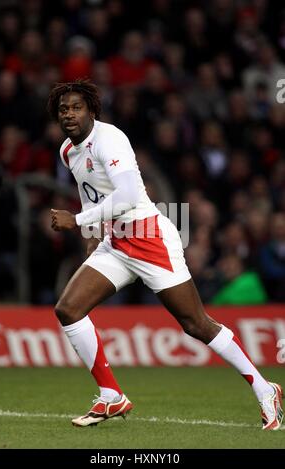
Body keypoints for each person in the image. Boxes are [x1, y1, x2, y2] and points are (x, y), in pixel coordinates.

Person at [47, 79, 283, 430]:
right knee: (68, 309)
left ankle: (266, 389)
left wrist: (78, 221)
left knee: (195, 324)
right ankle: (111, 395)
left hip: (149, 237)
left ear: (92, 110)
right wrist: (93, 233)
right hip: (116, 240)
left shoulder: (110, 139)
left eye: (76, 107)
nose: (69, 114)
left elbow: (126, 194)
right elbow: (93, 193)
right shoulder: (69, 150)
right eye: (63, 109)